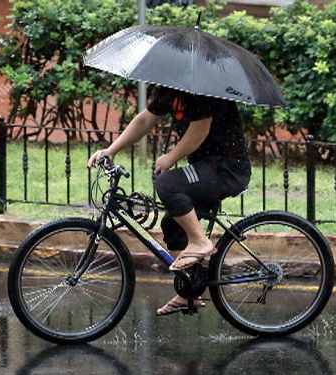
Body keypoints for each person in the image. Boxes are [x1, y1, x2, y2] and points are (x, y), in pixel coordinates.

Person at [88, 86, 251, 315]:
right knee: (172, 224)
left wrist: (171, 157)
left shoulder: (200, 88)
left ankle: (200, 242)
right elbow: (145, 119)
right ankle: (188, 293)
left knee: (167, 184)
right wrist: (111, 150)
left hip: (227, 168)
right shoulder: (171, 91)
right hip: (207, 167)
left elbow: (200, 130)